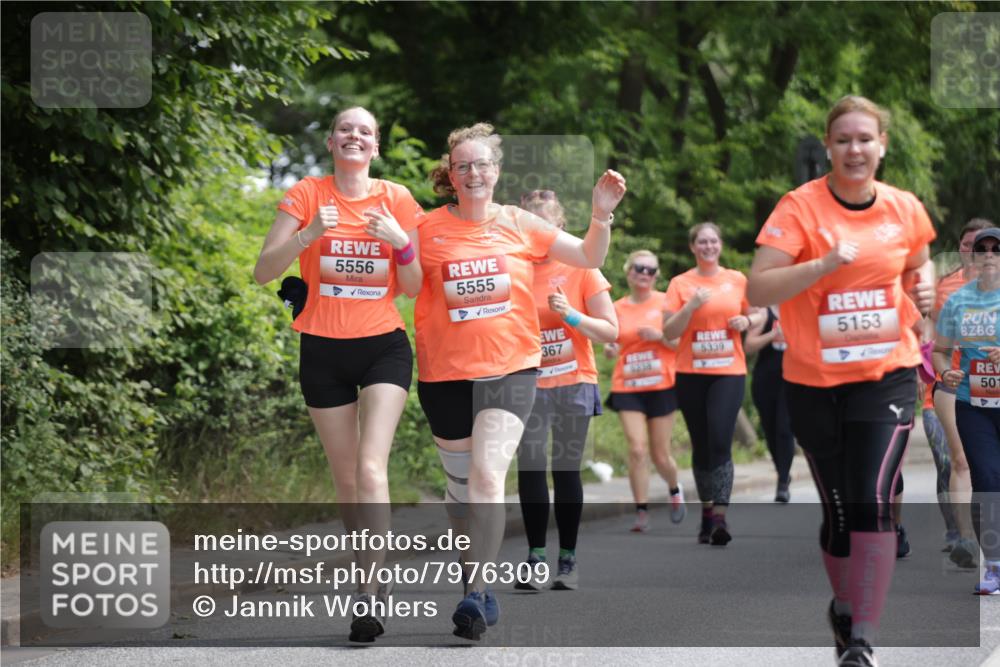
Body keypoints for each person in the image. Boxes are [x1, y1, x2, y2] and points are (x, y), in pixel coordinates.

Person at [415, 122, 626, 639]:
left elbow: (589, 257)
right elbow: (395, 278)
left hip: (511, 367)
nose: (473, 173)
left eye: (482, 164)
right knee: (460, 493)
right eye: (463, 165)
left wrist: (601, 216)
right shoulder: (426, 229)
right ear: (451, 173)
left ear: (497, 172)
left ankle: (477, 592)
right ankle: (472, 571)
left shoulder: (519, 223)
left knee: (488, 478)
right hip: (444, 372)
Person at [748, 95, 935, 667]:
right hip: (814, 380)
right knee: (841, 512)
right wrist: (822, 265)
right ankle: (846, 610)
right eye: (843, 140)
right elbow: (759, 290)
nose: (855, 149)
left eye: (865, 139)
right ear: (828, 147)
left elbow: (918, 262)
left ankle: (862, 639)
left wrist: (923, 288)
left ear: (882, 146)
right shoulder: (799, 208)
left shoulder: (903, 208)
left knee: (874, 499)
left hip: (888, 375)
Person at [253, 107, 424, 642]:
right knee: (348, 480)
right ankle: (368, 571)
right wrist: (307, 237)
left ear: (375, 147)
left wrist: (401, 241)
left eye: (365, 132)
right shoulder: (307, 195)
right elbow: (263, 271)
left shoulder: (396, 198)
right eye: (346, 129)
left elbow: (415, 286)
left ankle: (370, 592)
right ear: (331, 142)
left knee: (371, 467)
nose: (355, 136)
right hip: (322, 349)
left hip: (383, 348)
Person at [514, 189, 618, 591]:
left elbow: (611, 330)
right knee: (531, 467)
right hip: (528, 382)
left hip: (574, 381)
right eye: (531, 226)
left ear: (558, 228)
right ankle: (536, 556)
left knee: (565, 469)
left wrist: (571, 315)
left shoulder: (581, 266)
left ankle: (568, 559)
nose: (538, 235)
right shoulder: (512, 268)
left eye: (546, 227)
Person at [663, 222, 762, 546]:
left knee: (720, 437)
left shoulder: (736, 279)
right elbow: (669, 332)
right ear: (693, 247)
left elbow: (760, 314)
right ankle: (706, 510)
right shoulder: (681, 283)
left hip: (728, 371)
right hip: (691, 373)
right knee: (702, 443)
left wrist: (747, 321)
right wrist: (691, 305)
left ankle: (720, 515)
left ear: (719, 245)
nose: (708, 246)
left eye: (713, 241)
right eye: (701, 242)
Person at [933, 227, 1000, 595]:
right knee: (987, 479)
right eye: (982, 248)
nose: (989, 253)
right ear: (972, 257)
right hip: (973, 402)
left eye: (996, 248)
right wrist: (946, 370)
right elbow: (940, 350)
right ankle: (994, 565)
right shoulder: (958, 302)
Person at [605, 250, 686, 532]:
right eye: (639, 268)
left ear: (657, 275)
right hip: (628, 386)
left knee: (660, 454)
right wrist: (610, 347)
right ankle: (641, 510)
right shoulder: (616, 307)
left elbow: (682, 345)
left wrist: (660, 337)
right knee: (638, 450)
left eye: (650, 270)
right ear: (628, 271)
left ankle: (674, 488)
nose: (644, 274)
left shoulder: (667, 302)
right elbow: (612, 341)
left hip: (662, 384)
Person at [744, 304, 796, 502]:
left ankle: (783, 482)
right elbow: (748, 345)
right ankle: (783, 472)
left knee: (785, 429)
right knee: (771, 430)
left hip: (791, 378)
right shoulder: (764, 313)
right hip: (766, 379)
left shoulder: (798, 309)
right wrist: (774, 333)